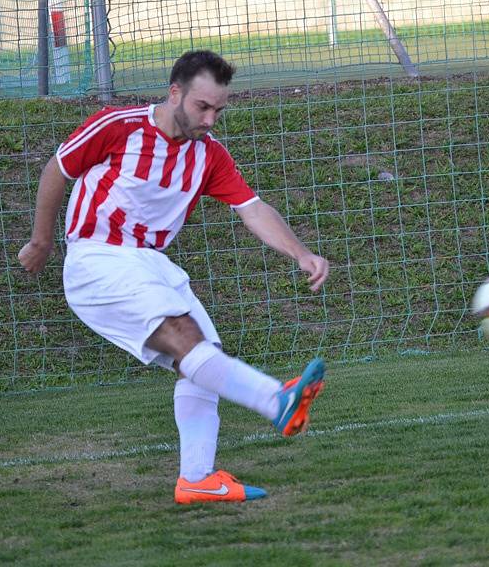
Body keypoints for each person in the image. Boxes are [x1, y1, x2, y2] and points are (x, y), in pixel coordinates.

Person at [18, 50, 330, 502]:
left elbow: (253, 209)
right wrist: (42, 241)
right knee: (186, 338)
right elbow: (57, 169)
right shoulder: (118, 125)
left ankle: (197, 479)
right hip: (98, 259)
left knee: (204, 358)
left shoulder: (209, 156)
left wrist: (300, 252)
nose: (211, 120)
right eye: (203, 107)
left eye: (218, 110)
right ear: (175, 93)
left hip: (149, 264)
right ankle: (274, 400)